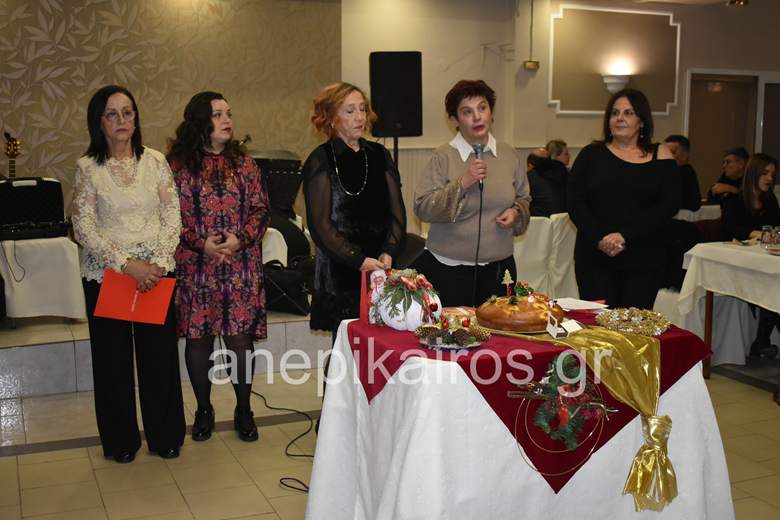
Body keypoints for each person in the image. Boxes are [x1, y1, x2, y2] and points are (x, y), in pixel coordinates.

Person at [71, 85, 185, 463]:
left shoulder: (155, 161)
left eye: (128, 112)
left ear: (136, 118)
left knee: (159, 359)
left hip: (155, 273)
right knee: (113, 363)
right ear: (99, 122)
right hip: (110, 275)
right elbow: (84, 228)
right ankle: (121, 441)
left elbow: (172, 215)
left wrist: (157, 263)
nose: (122, 120)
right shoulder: (88, 168)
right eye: (112, 114)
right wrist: (127, 265)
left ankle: (165, 436)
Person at [168, 91, 270, 443]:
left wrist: (239, 239)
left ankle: (244, 409)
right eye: (217, 114)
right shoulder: (178, 167)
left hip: (240, 265)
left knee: (240, 340)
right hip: (196, 266)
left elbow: (261, 209)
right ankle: (203, 409)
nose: (227, 120)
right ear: (200, 121)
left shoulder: (245, 164)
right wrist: (202, 244)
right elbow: (169, 218)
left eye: (229, 113)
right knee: (199, 340)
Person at [302, 82, 406, 339]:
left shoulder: (379, 154)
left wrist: (389, 251)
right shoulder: (321, 158)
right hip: (341, 267)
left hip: (381, 264)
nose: (360, 117)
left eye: (362, 109)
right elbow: (320, 225)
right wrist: (358, 260)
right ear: (331, 117)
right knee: (346, 348)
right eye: (350, 111)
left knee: (384, 344)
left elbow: (397, 214)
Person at [413, 79, 530, 306]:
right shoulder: (443, 156)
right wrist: (463, 183)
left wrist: (516, 212)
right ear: (454, 120)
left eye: (482, 108)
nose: (477, 117)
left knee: (499, 328)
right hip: (449, 270)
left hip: (499, 269)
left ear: (491, 112)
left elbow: (524, 197)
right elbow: (423, 207)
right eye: (467, 112)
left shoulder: (508, 154)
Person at [567, 88, 678, 309]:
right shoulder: (591, 154)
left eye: (628, 113)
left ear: (642, 121)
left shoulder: (661, 154)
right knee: (598, 324)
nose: (620, 118)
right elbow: (575, 203)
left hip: (643, 256)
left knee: (634, 326)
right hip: (595, 256)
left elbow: (669, 205)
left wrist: (625, 235)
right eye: (615, 113)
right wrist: (601, 238)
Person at [721, 153, 780, 358]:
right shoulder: (733, 200)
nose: (770, 178)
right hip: (736, 265)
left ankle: (761, 342)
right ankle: (761, 342)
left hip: (761, 264)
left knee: (773, 284)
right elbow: (731, 229)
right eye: (765, 173)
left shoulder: (770, 200)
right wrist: (760, 234)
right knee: (772, 285)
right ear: (753, 173)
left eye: (772, 174)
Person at [528, 143, 569, 217]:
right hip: (563, 219)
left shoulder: (531, 176)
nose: (569, 156)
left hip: (541, 220)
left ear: (530, 165)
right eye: (566, 154)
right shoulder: (565, 173)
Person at [664, 134, 702, 212]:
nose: (666, 156)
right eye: (665, 152)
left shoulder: (685, 172)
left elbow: (694, 203)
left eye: (672, 152)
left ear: (685, 155)